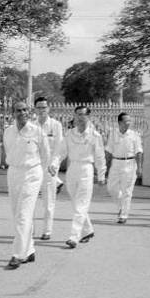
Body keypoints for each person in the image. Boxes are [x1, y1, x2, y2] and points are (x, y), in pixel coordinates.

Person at [49, 105, 106, 249]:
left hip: (86, 169)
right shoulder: (69, 134)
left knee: (81, 204)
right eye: (78, 115)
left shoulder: (95, 136)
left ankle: (74, 237)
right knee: (76, 203)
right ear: (74, 117)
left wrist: (101, 174)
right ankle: (88, 230)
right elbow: (60, 151)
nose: (80, 118)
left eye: (83, 115)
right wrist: (54, 164)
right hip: (72, 168)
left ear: (88, 117)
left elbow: (100, 156)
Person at [3, 101, 49, 269]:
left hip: (32, 173)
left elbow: (46, 155)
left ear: (29, 112)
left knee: (23, 214)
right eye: (18, 110)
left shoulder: (37, 131)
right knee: (18, 215)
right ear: (13, 113)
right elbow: (9, 153)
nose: (21, 113)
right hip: (14, 172)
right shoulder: (8, 131)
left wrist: (41, 175)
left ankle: (18, 254)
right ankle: (29, 250)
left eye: (24, 110)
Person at [33, 96, 64, 240]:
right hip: (33, 167)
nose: (41, 110)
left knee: (48, 201)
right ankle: (29, 229)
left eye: (44, 107)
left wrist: (54, 165)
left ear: (48, 108)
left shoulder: (56, 125)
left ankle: (47, 230)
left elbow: (59, 148)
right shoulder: (31, 125)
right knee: (30, 200)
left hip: (49, 168)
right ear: (35, 109)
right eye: (39, 107)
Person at [105, 112, 143, 224]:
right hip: (116, 162)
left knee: (127, 190)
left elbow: (139, 151)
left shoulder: (135, 135)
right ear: (120, 122)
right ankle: (121, 206)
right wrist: (104, 166)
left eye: (130, 121)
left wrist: (139, 167)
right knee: (111, 188)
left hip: (130, 163)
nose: (128, 123)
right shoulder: (113, 134)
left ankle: (124, 215)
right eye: (126, 121)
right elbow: (108, 150)